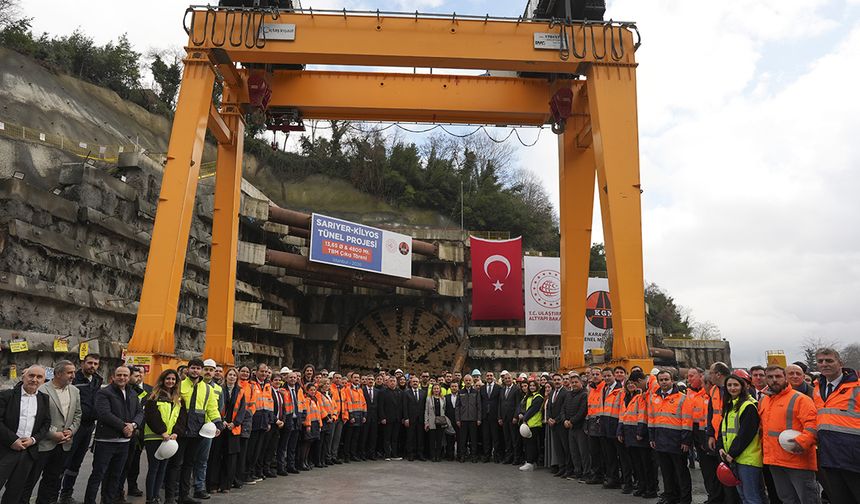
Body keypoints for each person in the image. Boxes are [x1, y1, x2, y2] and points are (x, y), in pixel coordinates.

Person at [19, 360, 81, 504]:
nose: (73, 376)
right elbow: (38, 418)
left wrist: (71, 431)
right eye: (69, 372)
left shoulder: (75, 391)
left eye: (73, 372)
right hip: (43, 444)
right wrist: (53, 434)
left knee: (52, 480)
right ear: (58, 374)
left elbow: (78, 414)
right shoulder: (42, 390)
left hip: (64, 444)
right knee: (30, 480)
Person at [758, 365, 820, 504]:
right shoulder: (764, 401)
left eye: (778, 376)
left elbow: (813, 424)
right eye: (770, 377)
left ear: (785, 378)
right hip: (775, 461)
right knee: (787, 499)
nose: (774, 380)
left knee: (808, 499)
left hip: (798, 461)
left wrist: (802, 443)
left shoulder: (801, 399)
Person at [166, 358, 222, 504]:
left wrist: (218, 423)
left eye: (198, 368)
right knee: (176, 463)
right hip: (180, 429)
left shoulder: (207, 389)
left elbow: (212, 408)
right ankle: (171, 496)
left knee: (189, 464)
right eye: (193, 368)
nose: (195, 371)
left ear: (201, 370)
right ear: (188, 369)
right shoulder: (179, 385)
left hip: (197, 431)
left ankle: (184, 496)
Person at [84, 366, 144, 504]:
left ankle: (109, 500)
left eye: (125, 375)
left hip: (124, 442)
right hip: (106, 441)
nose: (122, 378)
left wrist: (133, 425)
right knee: (98, 474)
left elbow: (140, 413)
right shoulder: (104, 393)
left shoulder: (132, 393)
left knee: (116, 475)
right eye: (119, 375)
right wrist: (124, 426)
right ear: (113, 376)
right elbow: (104, 414)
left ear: (129, 377)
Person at [812, 347, 860, 503]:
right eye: (820, 361)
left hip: (854, 458)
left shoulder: (856, 387)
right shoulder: (818, 388)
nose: (824, 364)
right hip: (830, 457)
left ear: (840, 363)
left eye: (829, 360)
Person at [0, 365, 51, 504]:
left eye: (39, 377)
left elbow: (46, 423)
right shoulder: (6, 395)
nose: (34, 379)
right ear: (23, 377)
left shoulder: (44, 399)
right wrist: (13, 440)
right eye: (31, 375)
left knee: (15, 491)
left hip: (28, 453)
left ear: (44, 380)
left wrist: (33, 440)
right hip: (4, 450)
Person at [60, 354, 103, 504]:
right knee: (63, 461)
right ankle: (52, 494)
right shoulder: (74, 379)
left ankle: (66, 494)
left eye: (96, 364)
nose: (93, 366)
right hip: (73, 426)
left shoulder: (98, 380)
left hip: (88, 427)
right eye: (90, 363)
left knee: (76, 463)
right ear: (82, 363)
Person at [718, 374, 765, 504]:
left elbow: (746, 434)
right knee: (744, 496)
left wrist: (731, 454)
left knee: (751, 497)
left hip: (747, 459)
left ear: (742, 387)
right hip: (734, 457)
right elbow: (724, 430)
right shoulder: (730, 405)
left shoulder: (748, 406)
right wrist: (721, 447)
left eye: (736, 385)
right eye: (729, 385)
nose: (732, 388)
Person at [649, 370, 693, 504]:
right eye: (661, 380)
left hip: (676, 441)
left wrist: (685, 440)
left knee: (681, 472)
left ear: (672, 380)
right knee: (667, 472)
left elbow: (687, 421)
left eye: (666, 379)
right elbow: (651, 419)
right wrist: (652, 437)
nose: (663, 382)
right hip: (660, 440)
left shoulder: (682, 398)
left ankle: (685, 499)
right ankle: (670, 496)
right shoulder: (654, 398)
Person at [143, 369, 187, 504]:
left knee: (162, 469)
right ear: (162, 380)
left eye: (173, 379)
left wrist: (175, 433)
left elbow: (181, 418)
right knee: (154, 468)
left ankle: (156, 496)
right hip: (154, 438)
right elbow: (151, 416)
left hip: (169, 439)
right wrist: (162, 432)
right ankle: (150, 498)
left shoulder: (179, 399)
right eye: (168, 379)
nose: (171, 381)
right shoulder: (153, 396)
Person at [623, 370, 658, 498]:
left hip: (647, 430)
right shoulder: (645, 392)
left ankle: (651, 488)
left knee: (647, 464)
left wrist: (641, 431)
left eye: (636, 385)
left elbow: (644, 414)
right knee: (640, 464)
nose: (637, 388)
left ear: (638, 381)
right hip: (640, 430)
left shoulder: (653, 387)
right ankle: (644, 486)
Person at [214, 368, 244, 493]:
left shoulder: (240, 391)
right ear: (226, 377)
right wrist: (221, 421)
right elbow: (214, 406)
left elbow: (242, 410)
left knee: (230, 457)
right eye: (230, 375)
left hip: (233, 429)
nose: (232, 377)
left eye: (234, 375)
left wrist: (235, 423)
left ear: (237, 378)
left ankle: (226, 485)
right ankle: (213, 484)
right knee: (216, 455)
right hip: (220, 426)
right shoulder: (219, 389)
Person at [124, 366, 152, 499]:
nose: (139, 375)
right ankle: (117, 490)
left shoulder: (149, 389)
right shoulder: (128, 389)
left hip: (142, 431)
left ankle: (132, 486)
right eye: (136, 373)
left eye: (141, 372)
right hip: (127, 429)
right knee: (123, 461)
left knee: (135, 460)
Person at [196, 360, 222, 498]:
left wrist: (218, 425)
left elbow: (218, 409)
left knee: (202, 460)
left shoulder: (218, 389)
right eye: (206, 369)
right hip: (192, 427)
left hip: (208, 429)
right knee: (185, 461)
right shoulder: (194, 385)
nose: (208, 372)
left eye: (211, 370)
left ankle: (199, 487)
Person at [245, 364, 272, 479]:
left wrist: (269, 421)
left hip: (263, 421)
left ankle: (253, 471)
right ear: (256, 372)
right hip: (254, 420)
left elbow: (270, 404)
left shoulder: (267, 386)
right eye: (262, 371)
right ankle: (246, 472)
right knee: (250, 449)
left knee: (258, 450)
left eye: (266, 372)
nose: (264, 374)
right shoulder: (251, 385)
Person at [562, 373, 588, 481]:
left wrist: (571, 421)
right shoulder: (568, 394)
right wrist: (564, 420)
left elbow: (582, 411)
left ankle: (586, 473)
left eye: (576, 382)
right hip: (570, 427)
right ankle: (577, 472)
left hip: (580, 427)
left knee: (584, 452)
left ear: (581, 382)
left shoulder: (584, 395)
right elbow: (563, 409)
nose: (574, 384)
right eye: (572, 382)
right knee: (574, 451)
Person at [585, 367, 606, 484]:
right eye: (593, 374)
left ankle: (603, 474)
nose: (595, 376)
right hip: (592, 422)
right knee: (594, 451)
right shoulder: (591, 389)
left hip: (600, 422)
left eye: (598, 374)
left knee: (603, 451)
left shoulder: (604, 388)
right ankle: (596, 475)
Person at [546, 373, 569, 477]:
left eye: (559, 379)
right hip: (553, 425)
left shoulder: (565, 393)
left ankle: (568, 469)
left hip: (561, 425)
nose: (557, 381)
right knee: (558, 448)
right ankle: (561, 467)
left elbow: (564, 409)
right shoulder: (551, 393)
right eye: (555, 380)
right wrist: (549, 418)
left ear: (562, 380)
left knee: (565, 447)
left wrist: (556, 420)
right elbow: (549, 407)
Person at [517, 380, 543, 472]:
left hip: (534, 424)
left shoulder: (538, 397)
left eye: (533, 385)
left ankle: (530, 462)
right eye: (530, 385)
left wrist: (524, 419)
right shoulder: (528, 396)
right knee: (528, 444)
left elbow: (533, 410)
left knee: (531, 444)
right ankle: (530, 461)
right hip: (528, 424)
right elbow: (523, 407)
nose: (531, 387)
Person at [456, 374, 482, 463]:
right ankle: (462, 455)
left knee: (473, 439)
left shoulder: (476, 392)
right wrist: (458, 419)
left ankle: (473, 456)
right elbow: (457, 407)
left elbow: (479, 406)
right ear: (464, 381)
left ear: (472, 381)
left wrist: (479, 418)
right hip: (463, 420)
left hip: (473, 419)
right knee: (463, 439)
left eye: (469, 380)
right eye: (466, 380)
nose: (468, 382)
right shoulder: (460, 392)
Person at [342, 372, 367, 462]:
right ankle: (346, 455)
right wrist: (351, 416)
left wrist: (364, 415)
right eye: (355, 377)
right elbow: (348, 403)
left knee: (355, 438)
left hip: (360, 416)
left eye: (358, 377)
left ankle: (353, 454)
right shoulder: (348, 389)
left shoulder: (360, 390)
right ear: (351, 379)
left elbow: (363, 403)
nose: (357, 379)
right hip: (352, 417)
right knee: (348, 438)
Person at [498, 371, 522, 465]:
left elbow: (518, 404)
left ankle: (516, 458)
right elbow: (500, 404)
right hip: (504, 418)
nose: (507, 380)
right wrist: (499, 417)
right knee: (507, 439)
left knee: (514, 439)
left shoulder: (516, 390)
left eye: (509, 378)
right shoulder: (502, 390)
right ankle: (509, 457)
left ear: (512, 380)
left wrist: (516, 416)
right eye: (506, 378)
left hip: (512, 418)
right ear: (503, 380)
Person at [402, 375, 426, 461]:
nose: (415, 383)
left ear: (419, 383)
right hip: (410, 419)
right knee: (410, 437)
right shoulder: (406, 393)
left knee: (420, 437)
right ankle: (410, 454)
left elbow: (425, 407)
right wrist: (406, 418)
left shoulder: (423, 393)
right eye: (413, 382)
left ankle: (420, 453)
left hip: (420, 419)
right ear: (410, 383)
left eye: (416, 382)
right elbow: (404, 406)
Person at [479, 371, 501, 462]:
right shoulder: (482, 388)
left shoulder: (498, 388)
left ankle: (496, 455)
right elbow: (480, 402)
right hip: (484, 416)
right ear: (485, 377)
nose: (489, 377)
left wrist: (499, 416)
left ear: (493, 377)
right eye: (487, 376)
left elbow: (500, 402)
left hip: (494, 416)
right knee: (486, 437)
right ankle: (486, 455)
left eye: (491, 376)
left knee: (495, 437)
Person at [380, 375, 403, 461]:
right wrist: (382, 417)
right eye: (391, 381)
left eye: (394, 381)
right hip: (387, 418)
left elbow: (401, 406)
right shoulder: (383, 392)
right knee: (387, 438)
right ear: (387, 382)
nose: (392, 382)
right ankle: (387, 454)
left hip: (397, 419)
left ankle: (394, 454)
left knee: (395, 438)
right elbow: (381, 406)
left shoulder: (400, 392)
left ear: (396, 383)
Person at [301, 383, 322, 468]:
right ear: (307, 390)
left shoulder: (314, 400)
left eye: (314, 390)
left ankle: (306, 461)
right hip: (309, 424)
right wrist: (308, 425)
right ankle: (302, 462)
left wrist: (320, 424)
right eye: (311, 390)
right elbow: (307, 413)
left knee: (310, 443)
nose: (313, 391)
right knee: (306, 443)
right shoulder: (307, 400)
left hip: (315, 423)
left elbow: (318, 413)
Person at [424, 384, 447, 462]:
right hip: (431, 422)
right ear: (432, 390)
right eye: (435, 388)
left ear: (440, 390)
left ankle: (438, 456)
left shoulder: (443, 398)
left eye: (438, 388)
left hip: (440, 422)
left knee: (439, 440)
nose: (436, 390)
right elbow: (426, 411)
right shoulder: (428, 398)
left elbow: (445, 410)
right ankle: (432, 456)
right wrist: (426, 422)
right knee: (432, 440)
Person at [361, 373, 380, 460]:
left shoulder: (377, 391)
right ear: (366, 381)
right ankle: (362, 453)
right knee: (364, 436)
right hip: (365, 416)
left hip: (375, 417)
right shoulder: (362, 390)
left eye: (372, 380)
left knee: (373, 436)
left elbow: (379, 405)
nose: (371, 381)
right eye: (369, 379)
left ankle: (371, 454)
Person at [444, 381, 460, 461]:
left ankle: (459, 455)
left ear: (458, 387)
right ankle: (450, 455)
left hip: (459, 420)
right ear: (450, 388)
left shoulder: (461, 396)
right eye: (452, 386)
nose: (454, 388)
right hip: (449, 421)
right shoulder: (446, 397)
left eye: (455, 386)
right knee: (449, 439)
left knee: (460, 439)